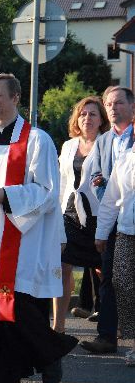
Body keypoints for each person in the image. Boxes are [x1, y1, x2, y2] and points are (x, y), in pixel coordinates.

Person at [0, 73, 77, 383]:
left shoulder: (37, 140)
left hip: (22, 239)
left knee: (15, 304)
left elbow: (47, 191)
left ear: (15, 98)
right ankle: (6, 376)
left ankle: (49, 352)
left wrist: (4, 195)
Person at [81, 86, 135, 354]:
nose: (113, 108)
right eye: (109, 104)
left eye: (118, 103)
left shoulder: (134, 138)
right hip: (113, 217)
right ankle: (107, 336)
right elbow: (97, 177)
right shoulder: (103, 141)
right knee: (112, 278)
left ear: (132, 108)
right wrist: (99, 183)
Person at [52, 96, 108, 333]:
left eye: (93, 114)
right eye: (83, 114)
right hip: (69, 215)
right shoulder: (68, 146)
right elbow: (62, 182)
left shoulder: (108, 144)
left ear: (101, 120)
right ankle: (58, 326)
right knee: (62, 266)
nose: (87, 118)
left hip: (98, 215)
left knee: (104, 271)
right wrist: (55, 213)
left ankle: (110, 324)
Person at [95, 139, 135, 366]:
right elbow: (111, 199)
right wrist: (101, 232)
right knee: (121, 282)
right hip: (126, 230)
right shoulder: (126, 157)